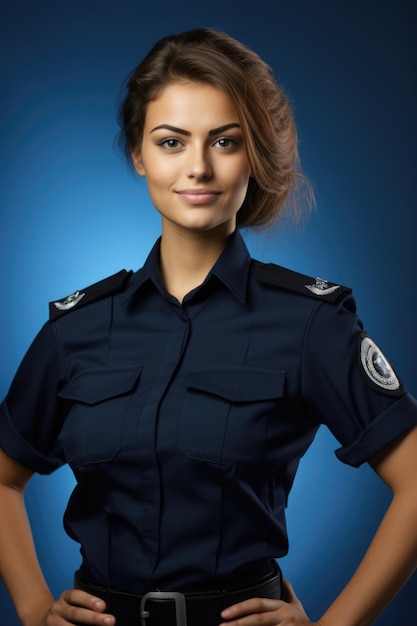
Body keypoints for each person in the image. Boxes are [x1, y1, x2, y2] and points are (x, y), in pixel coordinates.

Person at [0, 27, 416, 626]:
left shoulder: (310, 322)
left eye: (225, 141)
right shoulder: (78, 328)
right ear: (139, 154)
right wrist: (34, 609)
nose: (197, 167)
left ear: (256, 155)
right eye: (171, 141)